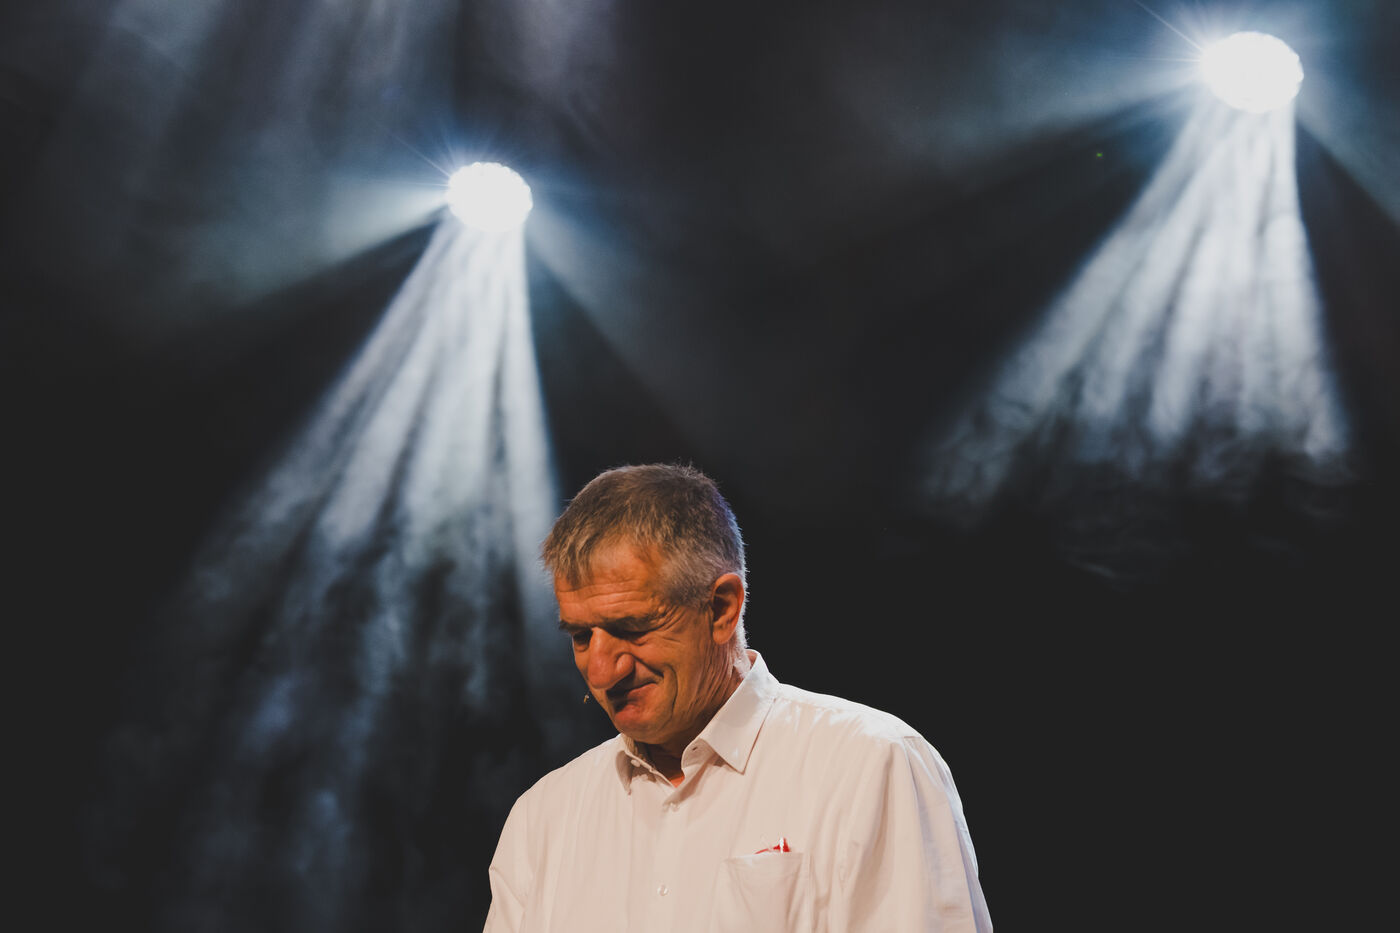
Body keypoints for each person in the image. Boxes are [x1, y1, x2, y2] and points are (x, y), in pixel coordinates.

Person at [484, 464, 992, 932]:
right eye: (580, 637)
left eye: (632, 628)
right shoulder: (541, 819)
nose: (600, 671)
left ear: (722, 608)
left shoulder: (871, 766)